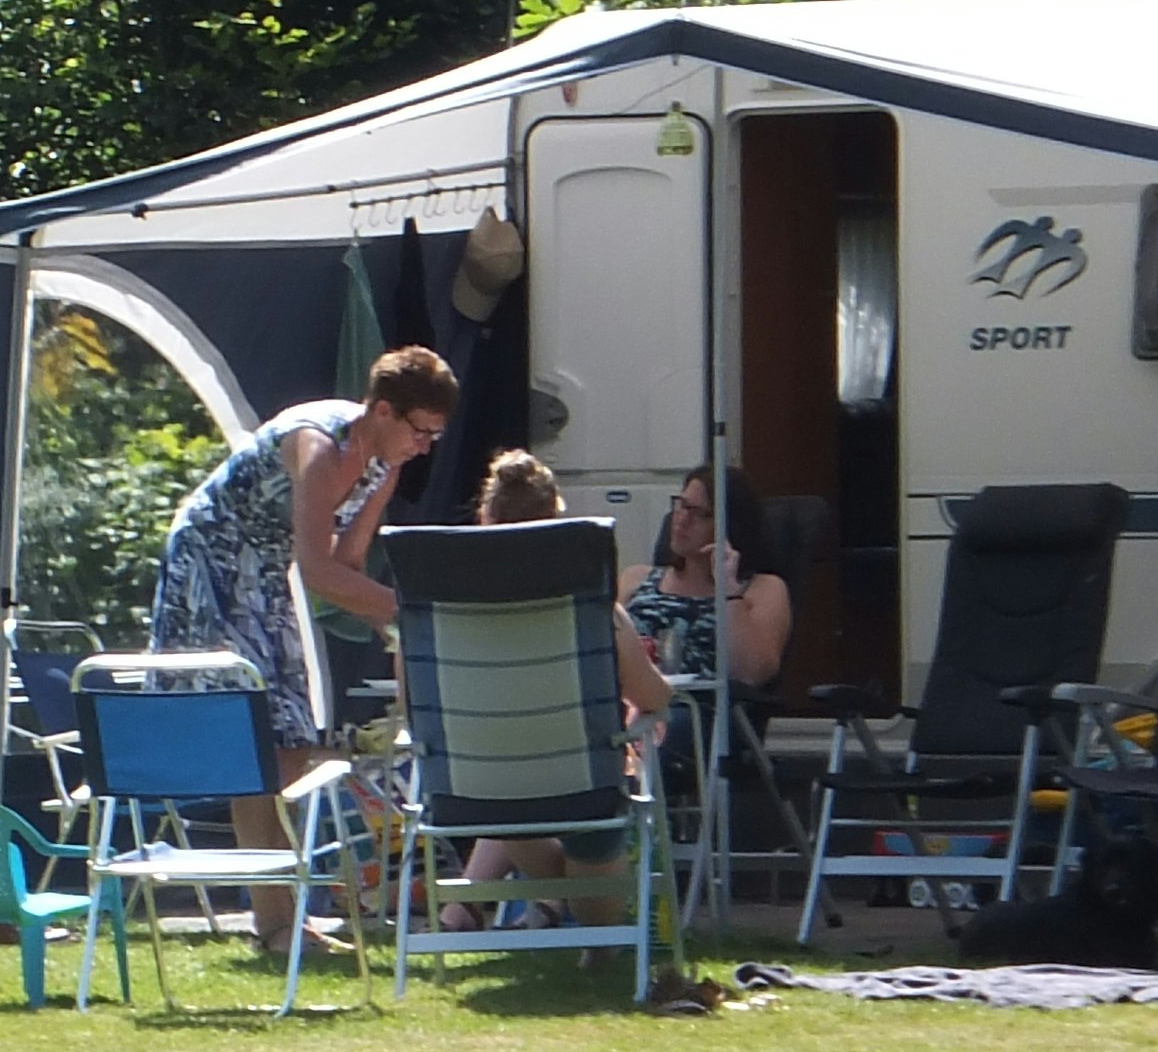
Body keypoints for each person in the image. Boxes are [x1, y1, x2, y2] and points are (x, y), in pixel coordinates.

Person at [144, 346, 459, 958]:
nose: (424, 446)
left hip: (264, 570)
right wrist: (415, 612)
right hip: (211, 559)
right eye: (420, 431)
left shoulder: (381, 465)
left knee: (287, 748)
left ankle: (281, 920)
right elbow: (318, 572)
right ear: (383, 410)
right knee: (257, 743)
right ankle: (278, 926)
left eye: (435, 437)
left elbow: (348, 566)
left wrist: (394, 629)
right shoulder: (320, 447)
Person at [447, 448, 673, 927]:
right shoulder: (594, 613)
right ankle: (585, 934)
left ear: (485, 519)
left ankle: (498, 909)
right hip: (582, 793)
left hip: (481, 794)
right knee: (601, 909)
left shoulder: (445, 617)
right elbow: (653, 698)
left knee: (510, 788)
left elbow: (413, 705)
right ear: (556, 524)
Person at [630, 466, 792, 694]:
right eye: (682, 505)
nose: (682, 520)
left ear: (729, 525)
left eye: (700, 513)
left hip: (698, 710)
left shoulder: (762, 589)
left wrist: (728, 590)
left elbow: (751, 673)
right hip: (628, 702)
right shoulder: (636, 578)